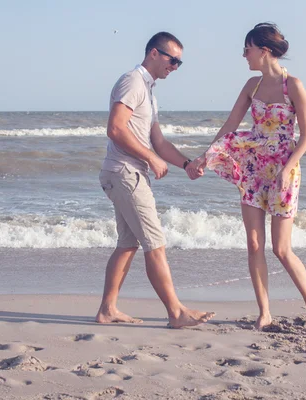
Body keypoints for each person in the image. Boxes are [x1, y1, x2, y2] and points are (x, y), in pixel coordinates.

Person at [187, 23, 306, 329]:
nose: (244, 55)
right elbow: (230, 125)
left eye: (247, 49)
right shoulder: (252, 86)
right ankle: (264, 312)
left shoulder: (294, 86)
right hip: (253, 168)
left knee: (281, 248)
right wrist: (204, 157)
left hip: (283, 169)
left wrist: (287, 169)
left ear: (264, 51)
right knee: (253, 243)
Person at [97, 32, 214, 328]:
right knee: (155, 243)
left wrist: (185, 164)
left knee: (127, 243)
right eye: (172, 59)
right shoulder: (132, 82)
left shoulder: (148, 90)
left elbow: (158, 142)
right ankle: (176, 312)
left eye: (179, 63)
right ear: (153, 53)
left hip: (125, 172)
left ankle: (108, 310)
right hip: (126, 173)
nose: (175, 66)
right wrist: (149, 158)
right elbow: (115, 128)